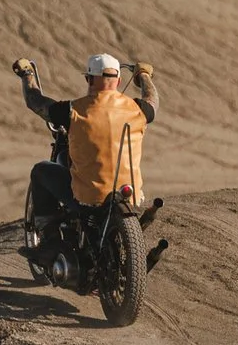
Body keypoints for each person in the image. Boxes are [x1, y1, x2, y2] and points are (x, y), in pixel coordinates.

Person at [11, 53, 157, 270]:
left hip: (89, 196)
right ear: (118, 81)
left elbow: (35, 101)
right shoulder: (139, 110)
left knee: (41, 171)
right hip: (129, 193)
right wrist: (144, 76)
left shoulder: (73, 110)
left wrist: (27, 75)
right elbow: (152, 99)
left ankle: (50, 244)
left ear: (89, 80)